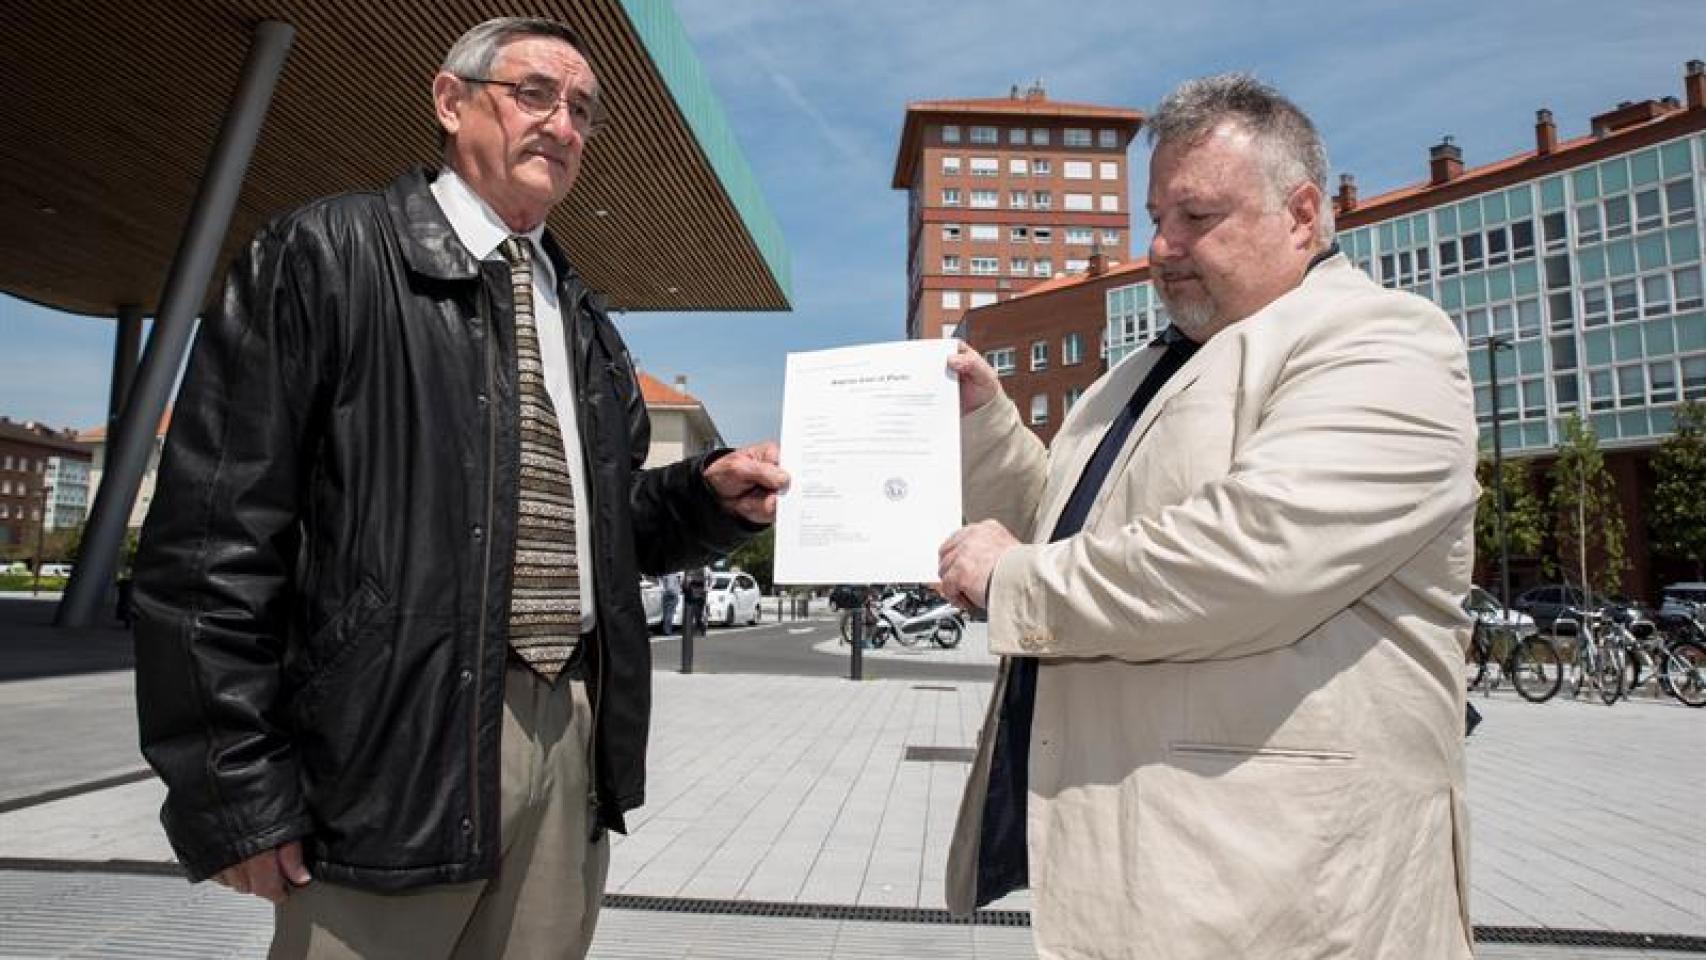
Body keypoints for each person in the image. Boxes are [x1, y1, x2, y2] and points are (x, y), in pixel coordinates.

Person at [130, 17, 787, 960]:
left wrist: (703, 499)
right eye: (535, 94)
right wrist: (231, 787)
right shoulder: (326, 257)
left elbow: (596, 531)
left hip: (569, 742)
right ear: (450, 101)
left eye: (583, 111)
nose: (562, 126)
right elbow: (210, 543)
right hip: (383, 753)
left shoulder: (586, 323)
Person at [936, 73, 1478, 959]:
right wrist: (988, 425)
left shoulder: (1383, 340)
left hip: (1287, 889)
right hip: (1160, 866)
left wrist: (1013, 580)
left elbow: (1256, 553)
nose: (1162, 246)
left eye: (1197, 217)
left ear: (1302, 216)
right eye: (1155, 217)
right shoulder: (1144, 368)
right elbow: (1064, 521)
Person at [659, 570, 683, 636]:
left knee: (665, 613)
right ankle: (667, 631)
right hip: (673, 594)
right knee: (670, 613)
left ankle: (665, 630)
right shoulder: (674, 574)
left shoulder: (665, 573)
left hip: (665, 594)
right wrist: (677, 590)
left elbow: (662, 582)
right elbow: (671, 586)